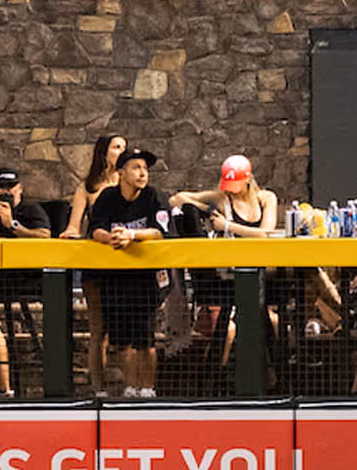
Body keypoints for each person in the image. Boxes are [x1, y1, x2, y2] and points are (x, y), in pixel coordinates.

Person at [169, 155, 279, 363]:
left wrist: (228, 226)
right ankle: (264, 366)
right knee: (251, 314)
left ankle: (275, 364)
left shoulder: (266, 198)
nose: (231, 190)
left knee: (307, 274)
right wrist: (207, 210)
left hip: (264, 267)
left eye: (235, 184)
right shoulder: (222, 199)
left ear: (248, 179)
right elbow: (176, 199)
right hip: (235, 272)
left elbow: (266, 233)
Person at [89, 147, 171, 399]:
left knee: (145, 339)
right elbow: (95, 229)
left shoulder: (155, 196)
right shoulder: (107, 197)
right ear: (121, 173)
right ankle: (131, 387)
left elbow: (160, 231)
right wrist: (111, 237)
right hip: (115, 277)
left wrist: (132, 235)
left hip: (146, 277)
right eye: (136, 167)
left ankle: (148, 389)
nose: (142, 173)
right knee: (122, 341)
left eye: (145, 168)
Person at [0, 166, 52, 398]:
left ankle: (5, 389)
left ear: (19, 188)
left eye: (10, 188)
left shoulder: (30, 209)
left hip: (21, 278)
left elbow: (45, 236)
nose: (5, 193)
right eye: (0, 188)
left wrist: (12, 224)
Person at [62, 132, 128, 396]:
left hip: (127, 263)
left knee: (125, 329)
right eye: (116, 147)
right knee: (98, 329)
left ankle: (130, 387)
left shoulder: (130, 183)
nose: (121, 151)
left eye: (124, 147)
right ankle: (98, 389)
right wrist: (71, 234)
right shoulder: (87, 188)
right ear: (104, 152)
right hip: (97, 264)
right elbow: (74, 226)